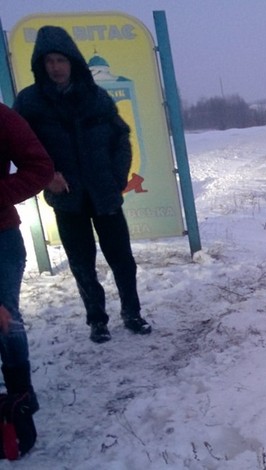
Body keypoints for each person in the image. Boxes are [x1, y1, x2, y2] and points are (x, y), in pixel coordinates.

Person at [14, 25, 151, 344]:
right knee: (82, 263)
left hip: (105, 194)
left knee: (122, 259)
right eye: (49, 61)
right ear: (41, 64)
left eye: (61, 60)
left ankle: (132, 313)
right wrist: (45, 175)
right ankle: (97, 321)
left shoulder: (96, 97)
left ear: (73, 61)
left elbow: (121, 137)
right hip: (67, 199)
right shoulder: (31, 102)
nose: (55, 67)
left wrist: (117, 177)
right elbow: (18, 145)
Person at [1, 103, 53, 434]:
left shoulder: (2, 118)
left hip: (0, 237)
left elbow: (40, 167)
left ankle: (21, 394)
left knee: (5, 318)